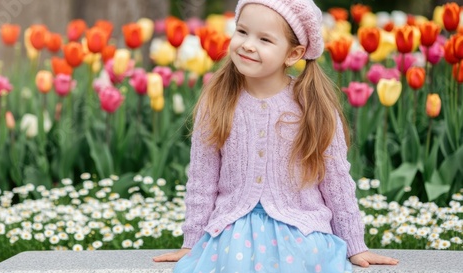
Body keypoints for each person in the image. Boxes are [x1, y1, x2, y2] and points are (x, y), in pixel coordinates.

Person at [154, 0, 399, 271]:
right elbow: (202, 179)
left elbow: (336, 181)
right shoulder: (217, 103)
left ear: (293, 54)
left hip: (301, 229)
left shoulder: (313, 108)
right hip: (233, 230)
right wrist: (192, 243)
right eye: (242, 31)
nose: (247, 44)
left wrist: (355, 245)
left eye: (265, 39)